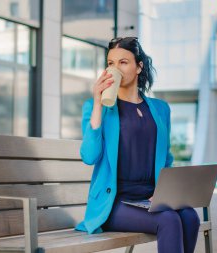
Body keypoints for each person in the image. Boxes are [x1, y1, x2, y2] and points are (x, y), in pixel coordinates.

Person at [75, 37, 200, 253]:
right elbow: (89, 156)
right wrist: (98, 102)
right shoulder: (96, 108)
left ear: (139, 67)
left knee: (190, 216)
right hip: (115, 203)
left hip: (151, 198)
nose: (115, 68)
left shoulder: (160, 109)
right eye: (111, 63)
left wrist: (164, 192)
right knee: (168, 220)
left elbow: (166, 158)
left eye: (123, 62)